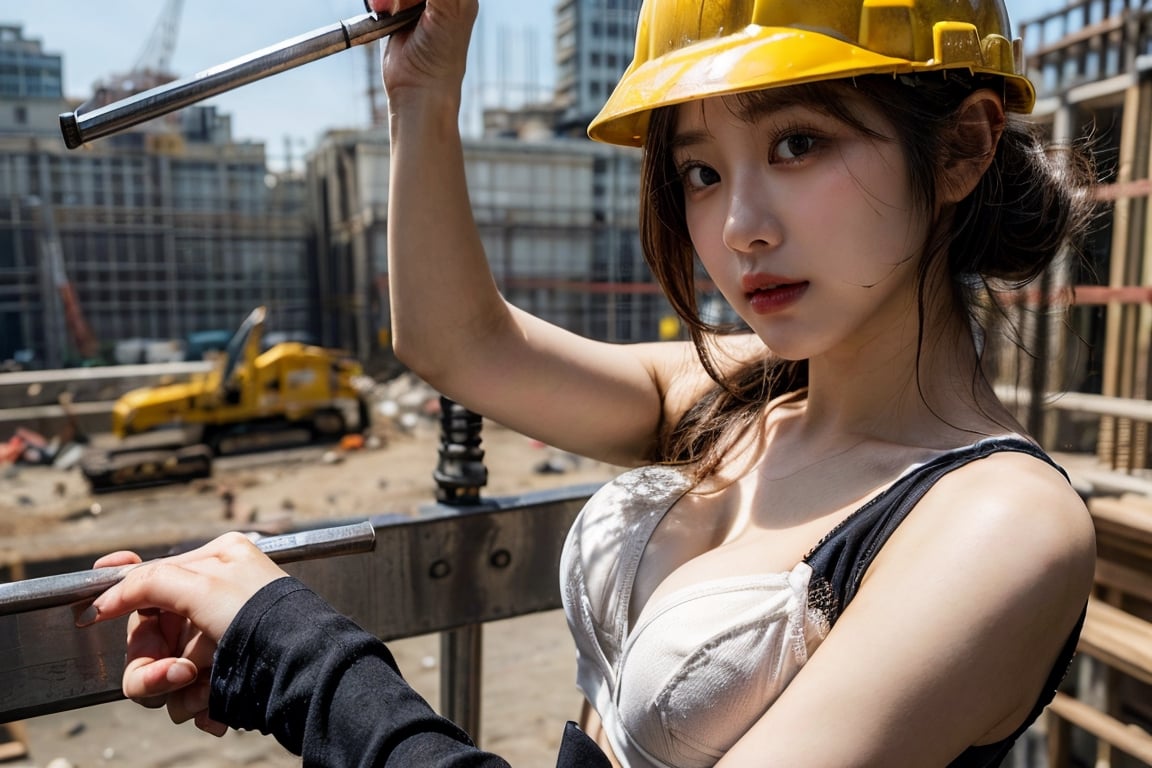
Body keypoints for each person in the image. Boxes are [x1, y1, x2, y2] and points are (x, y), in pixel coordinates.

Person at [77, 0, 1098, 765]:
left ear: (960, 147)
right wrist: (424, 91)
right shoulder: (744, 392)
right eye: (700, 170)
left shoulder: (995, 525)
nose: (739, 224)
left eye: (798, 142)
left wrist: (298, 654)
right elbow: (462, 346)